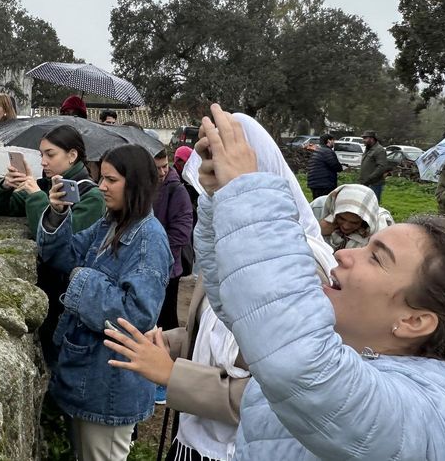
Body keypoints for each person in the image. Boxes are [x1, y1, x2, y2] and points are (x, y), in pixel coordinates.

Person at [111, 104, 445, 460]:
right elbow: (247, 308)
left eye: (377, 257)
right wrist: (222, 199)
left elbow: (297, 362)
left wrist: (248, 188)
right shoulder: (368, 359)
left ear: (415, 321)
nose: (344, 253)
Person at [104, 112, 337, 461]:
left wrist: (172, 375)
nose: (214, 194)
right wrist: (169, 343)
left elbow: (278, 395)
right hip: (198, 440)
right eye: (209, 179)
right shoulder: (226, 249)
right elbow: (222, 334)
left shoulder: (302, 268)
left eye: (227, 178)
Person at [37, 144, 172, 461]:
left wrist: (83, 279)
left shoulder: (149, 239)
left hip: (109, 384)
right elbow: (63, 257)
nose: (101, 186)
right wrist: (58, 213)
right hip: (88, 376)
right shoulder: (111, 224)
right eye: (102, 178)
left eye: (111, 180)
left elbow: (137, 315)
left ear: (135, 183)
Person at [0, 125, 105, 361]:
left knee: (62, 356)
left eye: (50, 154)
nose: (43, 162)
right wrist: (5, 186)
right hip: (44, 288)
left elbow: (60, 240)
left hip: (68, 294)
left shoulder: (91, 196)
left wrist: (36, 197)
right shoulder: (46, 185)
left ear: (72, 156)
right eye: (41, 154)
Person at [153, 148, 193, 333]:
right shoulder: (146, 188)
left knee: (166, 321)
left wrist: (156, 251)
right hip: (150, 268)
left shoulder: (176, 191)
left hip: (168, 267)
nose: (162, 172)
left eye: (165, 167)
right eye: (157, 168)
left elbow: (181, 233)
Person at [310, 184, 394, 251]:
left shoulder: (380, 227)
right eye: (342, 218)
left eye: (354, 222)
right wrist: (316, 230)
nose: (346, 226)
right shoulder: (318, 210)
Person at [306, 134, 342, 200]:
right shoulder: (327, 151)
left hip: (314, 183)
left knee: (317, 202)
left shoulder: (317, 151)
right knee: (324, 203)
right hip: (324, 184)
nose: (334, 142)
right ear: (329, 141)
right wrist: (341, 167)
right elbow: (336, 166)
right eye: (333, 140)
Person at [358, 130, 389, 200]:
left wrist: (369, 179)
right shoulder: (368, 149)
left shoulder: (379, 150)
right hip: (365, 183)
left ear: (372, 139)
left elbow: (381, 167)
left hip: (374, 184)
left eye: (365, 138)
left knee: (372, 204)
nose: (363, 140)